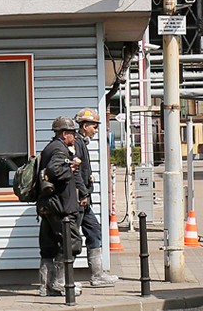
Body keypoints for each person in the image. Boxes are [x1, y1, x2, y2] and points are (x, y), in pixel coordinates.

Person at [37, 116, 83, 296]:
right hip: (60, 206)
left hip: (48, 205)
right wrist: (72, 167)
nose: (75, 136)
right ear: (64, 134)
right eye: (72, 133)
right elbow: (54, 170)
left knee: (49, 246)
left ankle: (45, 287)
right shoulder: (59, 149)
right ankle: (61, 283)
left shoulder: (50, 147)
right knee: (72, 242)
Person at [73, 108, 119, 286]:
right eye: (94, 126)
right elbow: (75, 172)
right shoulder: (77, 144)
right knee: (72, 238)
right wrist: (83, 193)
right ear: (84, 126)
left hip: (84, 200)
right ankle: (63, 279)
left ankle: (97, 275)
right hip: (79, 200)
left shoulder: (81, 143)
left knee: (94, 231)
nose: (96, 130)